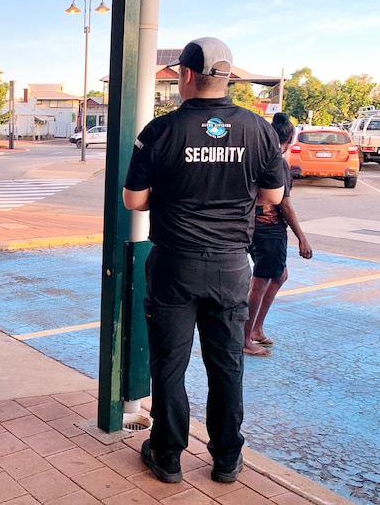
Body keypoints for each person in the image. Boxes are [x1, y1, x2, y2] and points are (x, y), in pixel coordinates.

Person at [123, 37, 285, 484]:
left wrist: (175, 195)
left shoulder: (161, 130)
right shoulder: (259, 129)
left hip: (175, 263)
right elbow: (272, 196)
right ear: (226, 77)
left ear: (189, 75)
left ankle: (168, 455)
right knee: (226, 363)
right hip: (232, 265)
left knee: (170, 364)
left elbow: (133, 200)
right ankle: (227, 458)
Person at [244, 113, 313, 356]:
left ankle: (256, 328)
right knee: (260, 281)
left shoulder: (258, 155)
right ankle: (246, 337)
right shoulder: (278, 162)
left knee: (279, 274)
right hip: (269, 228)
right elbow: (284, 204)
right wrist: (301, 237)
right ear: (290, 139)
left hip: (254, 224)